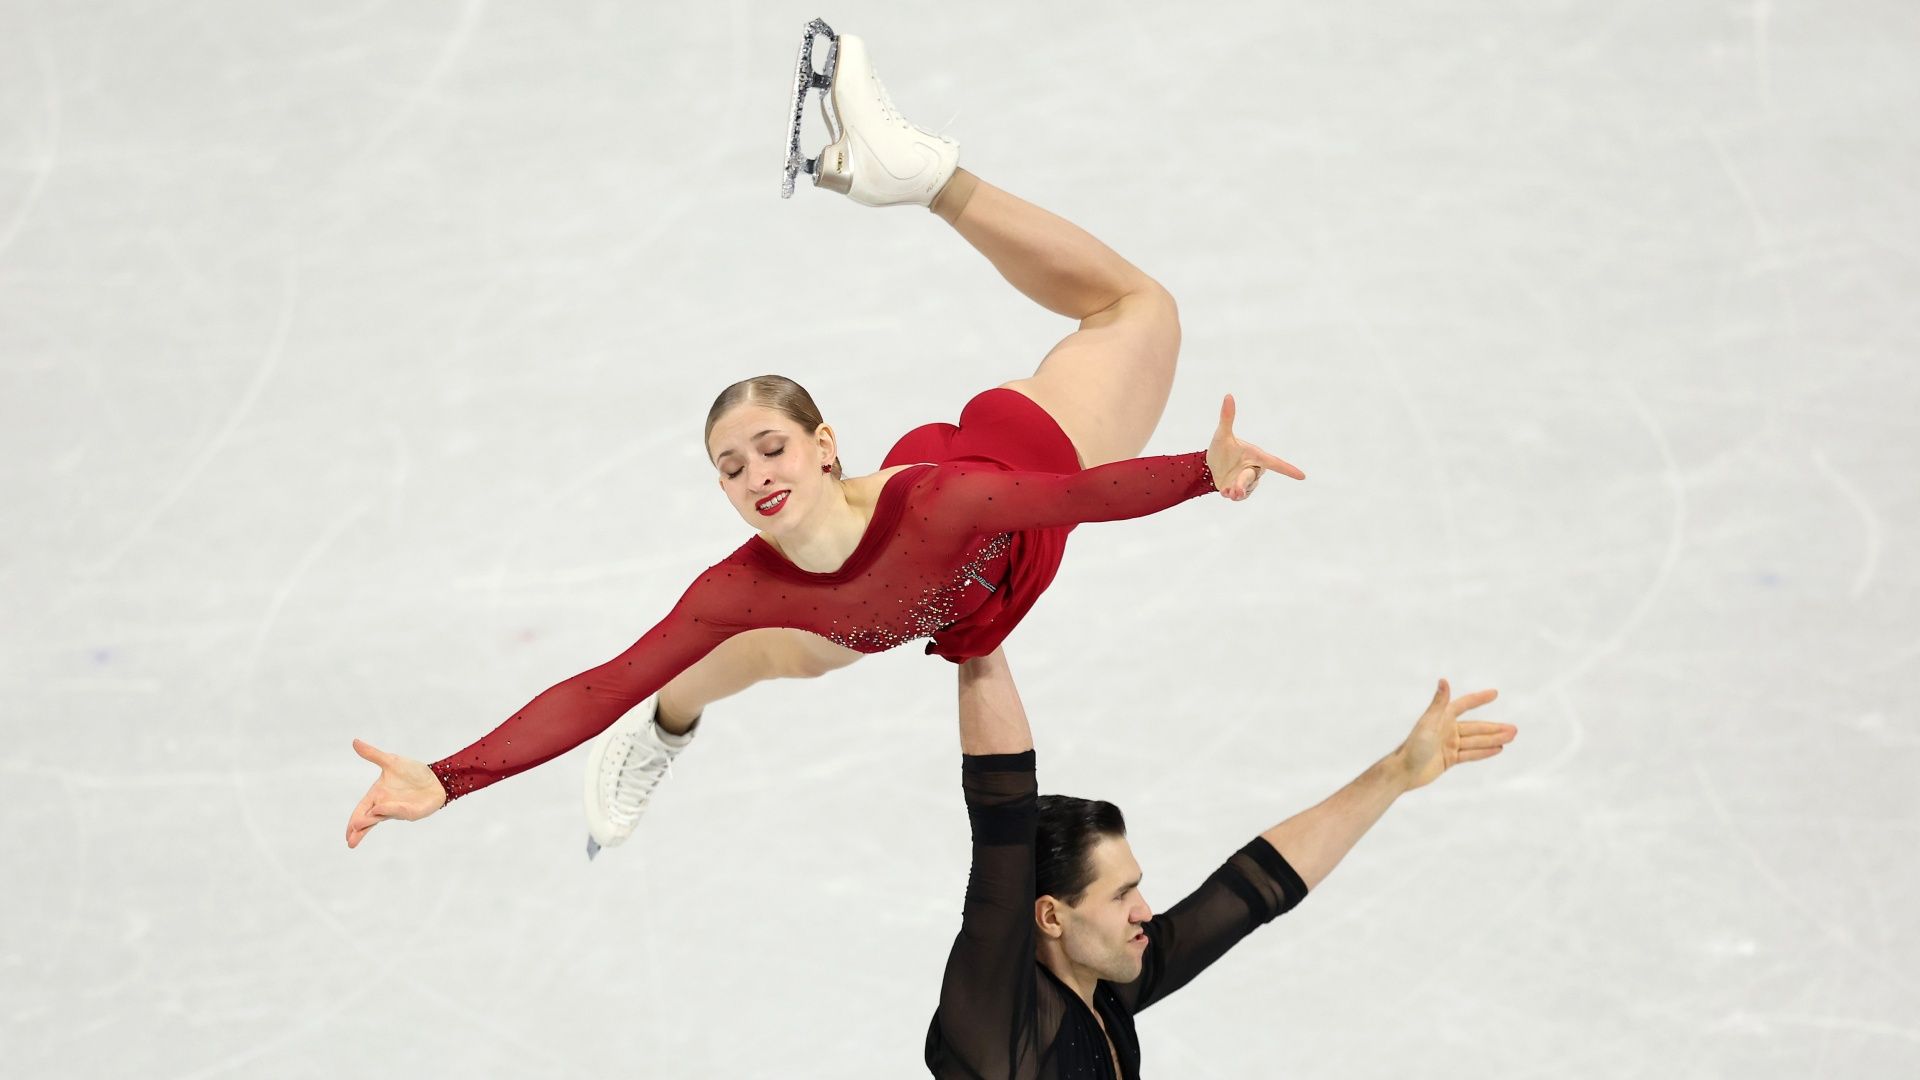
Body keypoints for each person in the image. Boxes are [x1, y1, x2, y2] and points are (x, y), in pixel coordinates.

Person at [343, 29, 1304, 852]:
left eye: (770, 447)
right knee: (751, 656)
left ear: (823, 445)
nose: (755, 475)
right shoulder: (744, 584)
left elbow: (1076, 499)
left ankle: (928, 176)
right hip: (907, 593)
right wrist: (449, 778)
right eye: (730, 467)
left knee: (1140, 308)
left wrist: (1200, 471)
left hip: (1028, 462)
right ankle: (670, 730)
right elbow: (605, 681)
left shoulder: (940, 502)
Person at [928, 648, 1515, 1078]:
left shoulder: (1104, 984)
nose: (1144, 911)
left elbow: (1256, 887)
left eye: (1136, 887)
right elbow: (1001, 808)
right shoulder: (999, 1023)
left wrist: (1395, 775)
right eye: (1118, 895)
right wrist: (984, 629)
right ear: (1050, 917)